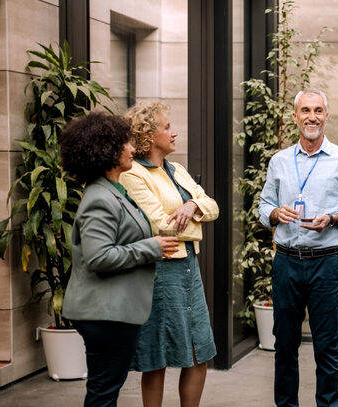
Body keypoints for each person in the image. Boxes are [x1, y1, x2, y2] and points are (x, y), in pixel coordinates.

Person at [60, 112, 179, 407]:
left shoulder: (114, 192)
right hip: (104, 314)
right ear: (107, 151)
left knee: (106, 388)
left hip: (113, 312)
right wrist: (150, 247)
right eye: (126, 143)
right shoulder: (100, 199)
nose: (132, 148)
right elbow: (99, 257)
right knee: (103, 392)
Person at [258, 89, 338, 407]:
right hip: (286, 263)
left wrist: (333, 217)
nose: (311, 117)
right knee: (284, 347)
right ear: (295, 116)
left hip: (325, 264)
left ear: (326, 116)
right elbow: (264, 206)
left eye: (317, 110)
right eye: (305, 111)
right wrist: (275, 213)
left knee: (326, 347)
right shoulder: (280, 161)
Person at [120, 102, 219, 407]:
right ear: (148, 136)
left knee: (198, 352)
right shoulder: (133, 174)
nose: (174, 133)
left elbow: (212, 206)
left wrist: (193, 207)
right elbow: (160, 225)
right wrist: (197, 212)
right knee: (157, 356)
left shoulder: (178, 170)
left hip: (189, 267)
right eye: (167, 127)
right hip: (160, 272)